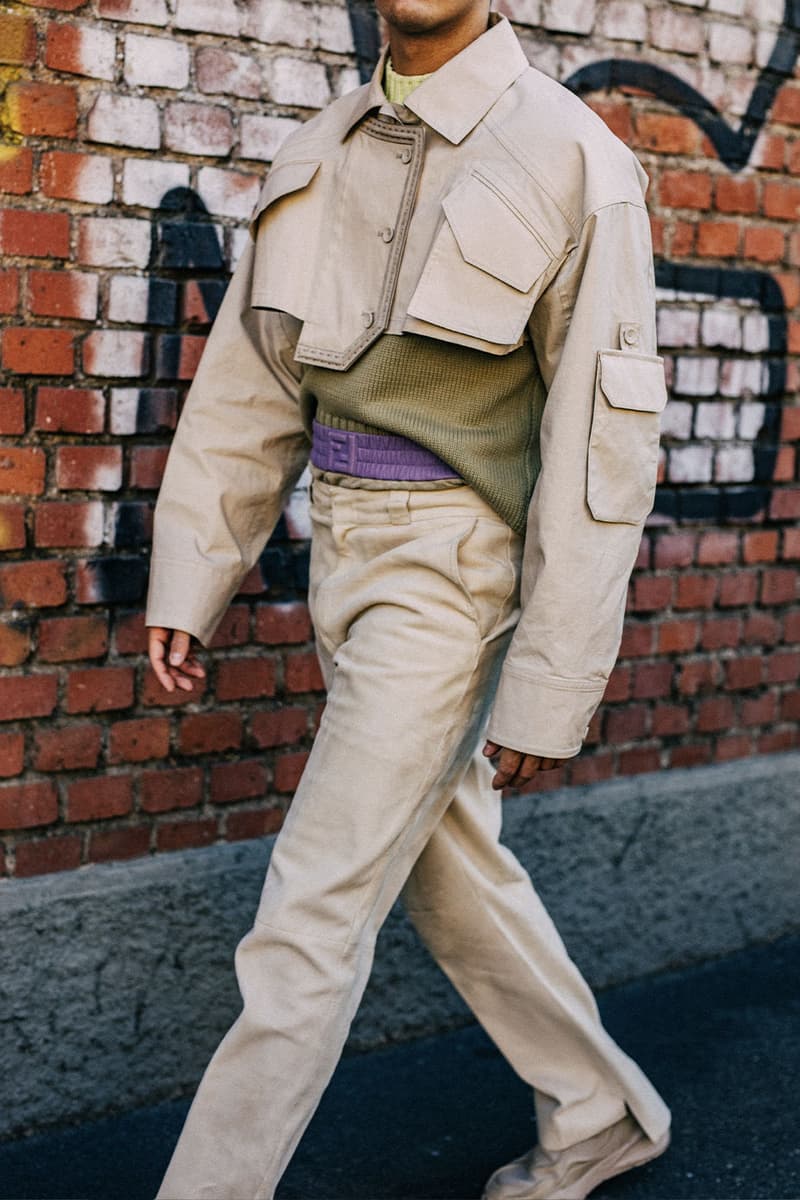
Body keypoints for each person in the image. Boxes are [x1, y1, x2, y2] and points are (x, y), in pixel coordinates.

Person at [144, 2, 672, 1197]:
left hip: (451, 571)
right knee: (445, 858)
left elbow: (601, 459)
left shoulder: (573, 158)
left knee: (309, 911)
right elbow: (249, 387)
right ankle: (595, 1111)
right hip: (341, 546)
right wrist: (193, 570)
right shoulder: (318, 147)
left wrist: (546, 684)